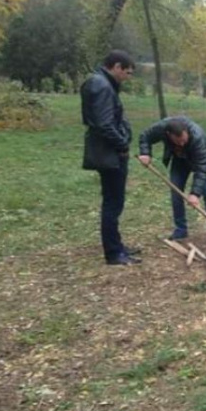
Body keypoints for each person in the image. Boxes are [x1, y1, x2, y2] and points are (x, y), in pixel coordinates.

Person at [81, 50, 139, 266]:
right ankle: (114, 253)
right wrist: (122, 144)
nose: (128, 77)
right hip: (110, 153)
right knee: (113, 203)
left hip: (109, 151)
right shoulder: (101, 86)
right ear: (116, 67)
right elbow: (104, 124)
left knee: (114, 201)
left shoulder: (100, 83)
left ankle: (117, 245)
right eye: (127, 72)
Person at [137, 117, 206, 244]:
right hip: (180, 160)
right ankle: (181, 229)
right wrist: (145, 152)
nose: (182, 143)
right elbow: (145, 136)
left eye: (183, 140)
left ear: (186, 131)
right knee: (176, 191)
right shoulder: (161, 129)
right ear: (168, 135)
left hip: (205, 162)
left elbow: (202, 167)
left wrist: (194, 194)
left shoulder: (197, 137)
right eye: (178, 141)